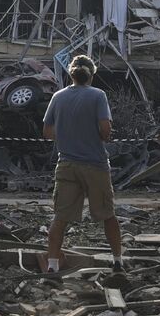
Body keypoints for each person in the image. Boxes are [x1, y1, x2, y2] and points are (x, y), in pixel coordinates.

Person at [42, 54, 120, 273]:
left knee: (60, 217)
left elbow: (47, 132)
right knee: (107, 214)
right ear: (91, 75)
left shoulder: (57, 97)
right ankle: (118, 261)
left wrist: (68, 134)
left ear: (71, 74)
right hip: (95, 165)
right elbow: (105, 131)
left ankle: (52, 266)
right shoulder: (98, 95)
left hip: (66, 165)